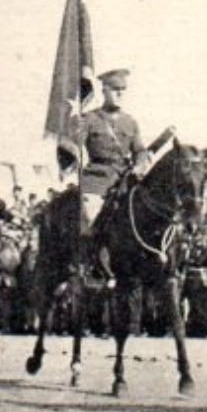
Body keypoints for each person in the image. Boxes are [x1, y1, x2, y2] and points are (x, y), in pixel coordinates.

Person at [75, 69, 150, 280]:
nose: (120, 94)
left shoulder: (130, 122)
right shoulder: (90, 119)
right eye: (115, 89)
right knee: (90, 217)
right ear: (104, 90)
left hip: (124, 180)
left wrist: (140, 165)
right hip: (97, 179)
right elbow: (74, 147)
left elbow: (140, 151)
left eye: (123, 90)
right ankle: (89, 263)